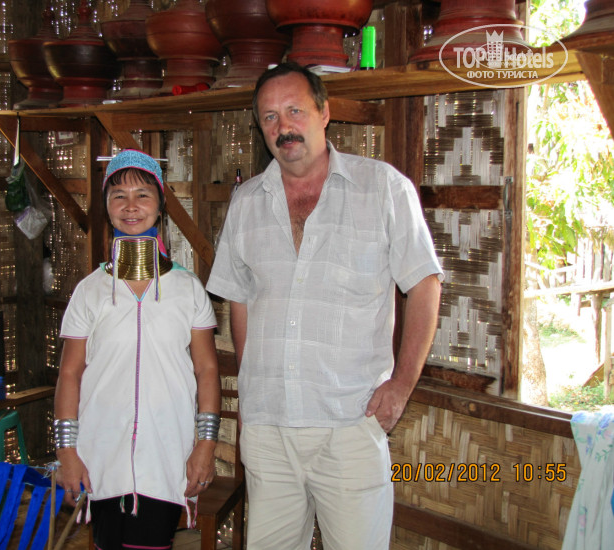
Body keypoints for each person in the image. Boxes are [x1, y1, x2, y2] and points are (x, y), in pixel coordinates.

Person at [206, 62, 444, 550]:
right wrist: (251, 393)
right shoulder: (246, 202)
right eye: (270, 117)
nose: (283, 126)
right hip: (269, 429)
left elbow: (425, 284)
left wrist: (401, 385)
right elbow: (241, 301)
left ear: (324, 113)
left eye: (295, 110)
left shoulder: (383, 189)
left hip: (350, 424)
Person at [53, 150, 221, 550]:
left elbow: (207, 371)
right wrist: (67, 452)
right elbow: (70, 373)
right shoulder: (90, 291)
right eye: (119, 196)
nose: (131, 206)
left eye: (143, 195)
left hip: (167, 452)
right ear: (106, 208)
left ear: (160, 207)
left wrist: (206, 443)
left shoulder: (187, 289)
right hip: (100, 453)